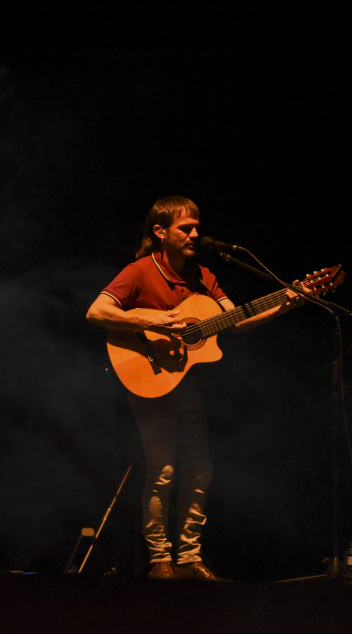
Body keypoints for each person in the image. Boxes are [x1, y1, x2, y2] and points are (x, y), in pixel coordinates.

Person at [86, 195, 301, 580]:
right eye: (185, 227)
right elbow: (97, 311)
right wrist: (151, 324)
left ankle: (189, 556)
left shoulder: (203, 277)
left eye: (197, 226)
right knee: (164, 470)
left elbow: (236, 320)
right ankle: (159, 559)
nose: (195, 233)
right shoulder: (139, 271)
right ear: (160, 232)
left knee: (201, 470)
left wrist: (288, 301)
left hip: (184, 383)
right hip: (148, 377)